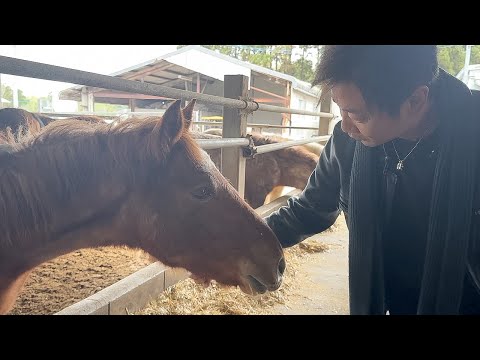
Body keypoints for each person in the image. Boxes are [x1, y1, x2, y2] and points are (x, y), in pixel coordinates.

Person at [264, 45, 480, 315]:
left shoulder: (473, 133)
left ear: (415, 101)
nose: (344, 126)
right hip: (387, 301)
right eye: (340, 109)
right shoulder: (347, 142)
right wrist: (243, 237)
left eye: (357, 114)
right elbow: (311, 208)